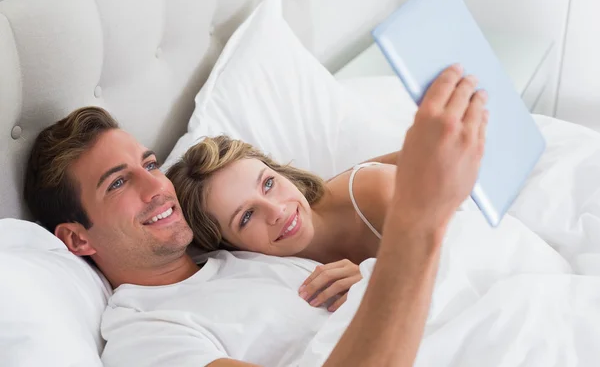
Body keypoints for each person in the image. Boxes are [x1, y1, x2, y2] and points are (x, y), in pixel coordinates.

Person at [24, 64, 488, 367]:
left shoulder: (239, 251)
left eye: (148, 164)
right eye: (119, 183)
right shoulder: (145, 334)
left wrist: (368, 280)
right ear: (77, 239)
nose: (157, 185)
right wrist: (414, 235)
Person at [165, 135, 403, 311]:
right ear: (228, 246)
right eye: (246, 216)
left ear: (280, 172)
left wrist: (380, 279)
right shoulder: (274, 283)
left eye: (268, 184)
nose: (276, 211)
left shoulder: (378, 192)